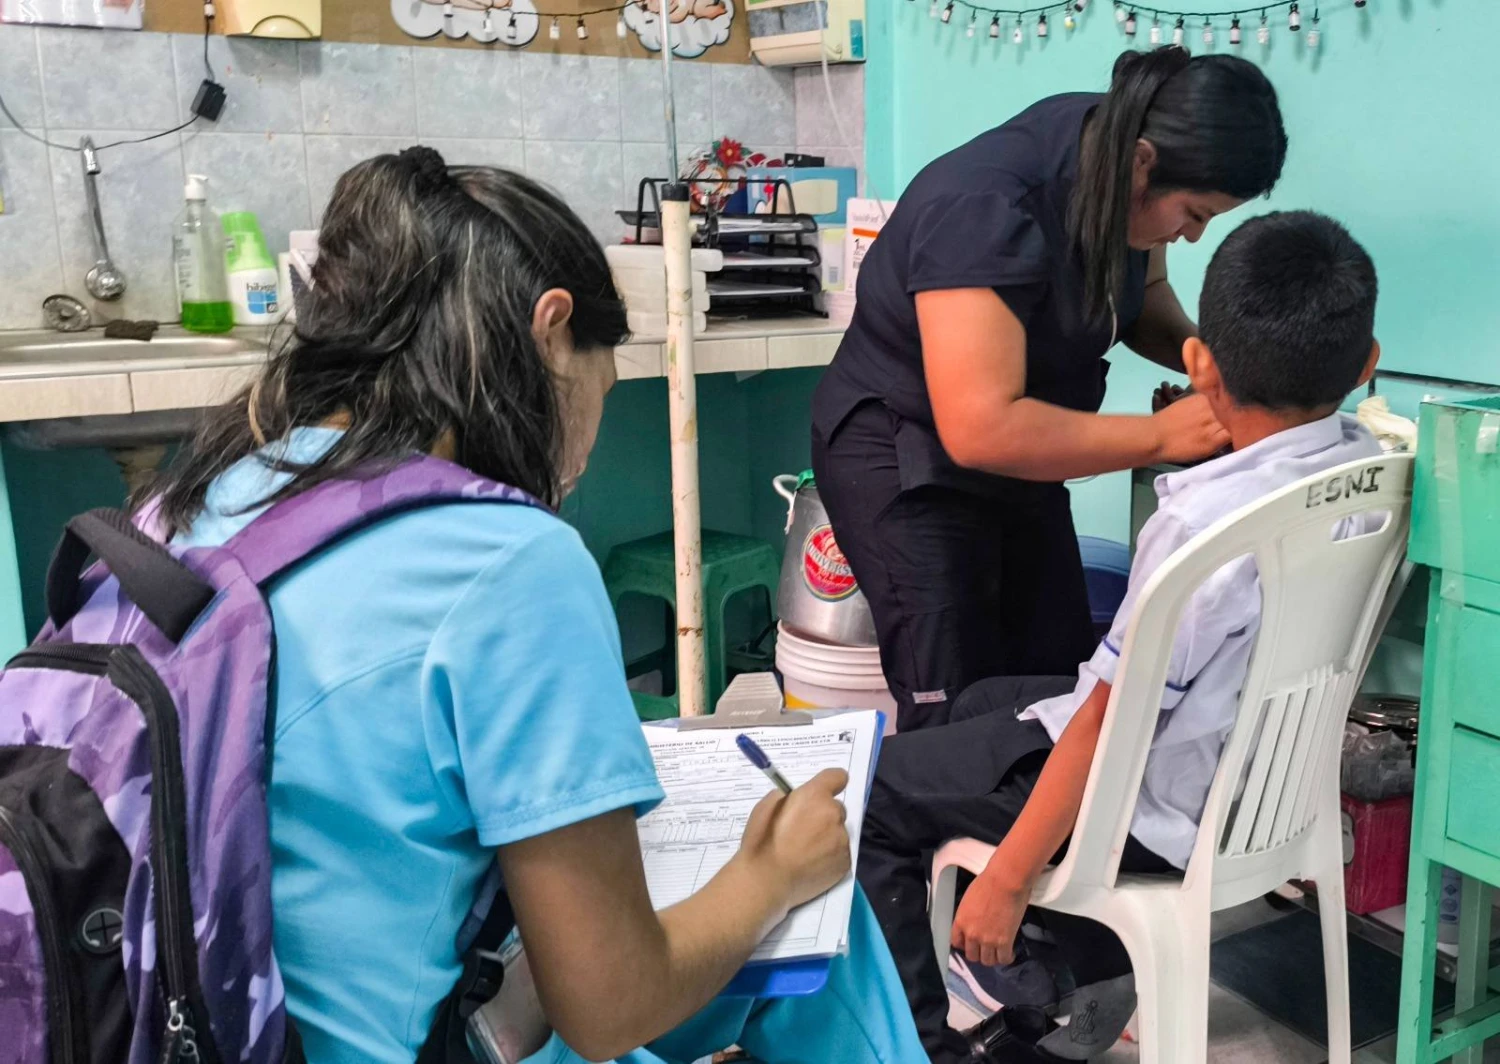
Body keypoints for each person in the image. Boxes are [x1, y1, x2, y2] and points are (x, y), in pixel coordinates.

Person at [140, 148, 923, 1064]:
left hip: (194, 1025)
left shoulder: (196, 497)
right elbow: (608, 1009)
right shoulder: (505, 559)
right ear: (552, 329)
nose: (586, 438)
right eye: (605, 379)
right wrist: (769, 876)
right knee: (816, 915)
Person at [855, 211, 1384, 1063]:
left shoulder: (1202, 535)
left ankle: (932, 1043)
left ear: (1202, 367)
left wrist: (1006, 881)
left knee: (869, 791)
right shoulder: (1370, 469)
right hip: (1252, 787)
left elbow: (1103, 726)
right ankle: (1071, 966)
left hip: (1152, 808)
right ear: (1366, 365)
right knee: (984, 700)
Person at [810, 47, 1288, 731]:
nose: (1190, 235)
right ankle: (931, 832)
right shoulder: (985, 208)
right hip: (903, 454)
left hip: (1021, 450)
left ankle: (1021, 835)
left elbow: (1141, 293)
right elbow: (982, 427)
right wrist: (1160, 436)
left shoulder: (1119, 160)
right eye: (1195, 211)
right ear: (1144, 162)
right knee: (956, 697)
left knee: (1055, 676)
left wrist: (1209, 362)